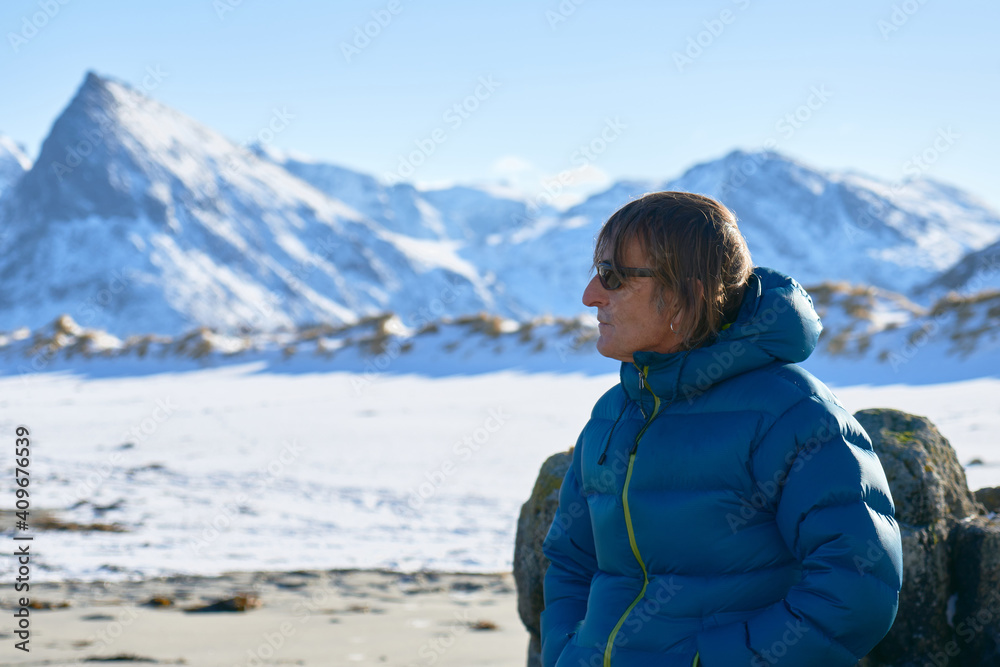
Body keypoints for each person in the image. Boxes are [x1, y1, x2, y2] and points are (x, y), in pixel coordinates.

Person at [540, 191, 903, 667]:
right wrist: (569, 652)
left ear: (685, 292)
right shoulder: (614, 413)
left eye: (613, 276)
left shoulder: (793, 414)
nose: (591, 295)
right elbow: (571, 560)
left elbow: (858, 589)